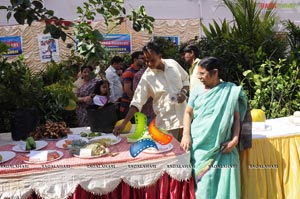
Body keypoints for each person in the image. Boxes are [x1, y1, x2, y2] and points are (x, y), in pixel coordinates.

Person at [180, 57, 248, 199]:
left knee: (223, 185)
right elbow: (187, 112)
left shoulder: (229, 91)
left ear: (215, 72)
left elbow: (236, 118)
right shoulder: (197, 91)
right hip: (199, 147)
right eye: (198, 73)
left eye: (202, 74)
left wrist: (234, 140)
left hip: (223, 147)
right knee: (203, 187)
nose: (199, 77)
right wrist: (186, 134)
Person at [113, 41, 189, 141]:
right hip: (167, 124)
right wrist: (124, 123)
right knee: (171, 153)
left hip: (185, 119)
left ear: (160, 55)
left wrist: (183, 92)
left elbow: (186, 79)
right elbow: (137, 102)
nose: (149, 64)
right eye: (146, 60)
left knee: (186, 153)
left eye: (152, 60)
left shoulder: (173, 64)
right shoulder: (147, 77)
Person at [119, 51, 144, 119]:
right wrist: (136, 104)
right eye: (142, 58)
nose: (144, 60)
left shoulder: (140, 71)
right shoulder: (129, 72)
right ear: (135, 60)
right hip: (128, 105)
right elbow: (128, 90)